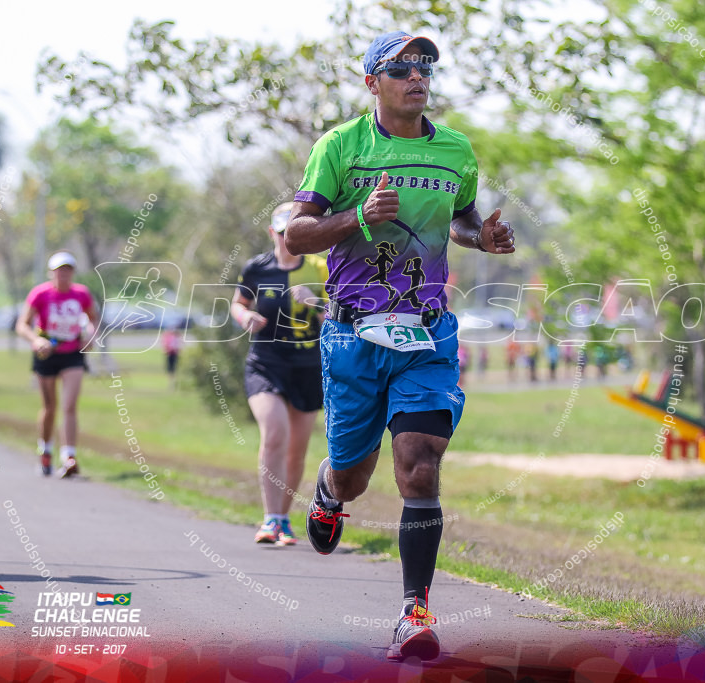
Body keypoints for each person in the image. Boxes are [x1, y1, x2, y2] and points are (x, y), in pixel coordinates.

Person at [285, 32, 515, 661]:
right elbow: (299, 233)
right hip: (354, 333)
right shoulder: (341, 146)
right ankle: (331, 492)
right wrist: (359, 218)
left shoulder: (455, 150)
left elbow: (462, 219)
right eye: (402, 67)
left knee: (419, 457)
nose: (418, 76)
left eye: (426, 66)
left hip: (425, 331)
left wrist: (482, 237)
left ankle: (414, 613)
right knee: (356, 474)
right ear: (372, 83)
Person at [231, 202, 328, 547]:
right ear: (273, 232)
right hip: (266, 362)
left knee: (296, 450)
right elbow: (239, 302)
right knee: (275, 432)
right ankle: (270, 518)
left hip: (308, 366)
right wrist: (244, 318)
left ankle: (283, 520)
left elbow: (338, 313)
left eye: (296, 232)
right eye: (284, 233)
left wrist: (317, 301)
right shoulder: (256, 269)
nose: (290, 239)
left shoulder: (319, 268)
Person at [15, 252, 100, 478]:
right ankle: (45, 451)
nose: (63, 274)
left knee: (70, 405)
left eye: (68, 270)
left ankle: (69, 456)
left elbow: (94, 319)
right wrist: (36, 340)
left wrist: (91, 336)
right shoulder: (40, 294)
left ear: (73, 272)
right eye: (59, 270)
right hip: (46, 354)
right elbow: (22, 325)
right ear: (51, 273)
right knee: (50, 407)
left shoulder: (81, 294)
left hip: (72, 353)